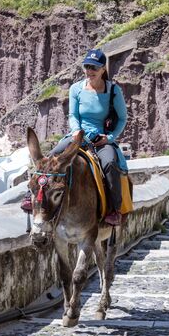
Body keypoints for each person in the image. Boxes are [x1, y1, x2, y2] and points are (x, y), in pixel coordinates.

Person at [50, 48, 128, 226]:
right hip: (78, 136)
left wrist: (109, 138)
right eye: (87, 66)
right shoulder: (75, 89)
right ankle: (36, 198)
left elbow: (123, 118)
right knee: (51, 158)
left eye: (94, 67)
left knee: (109, 164)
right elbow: (73, 115)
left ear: (103, 69)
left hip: (100, 139)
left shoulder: (114, 91)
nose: (89, 71)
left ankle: (114, 210)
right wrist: (76, 131)